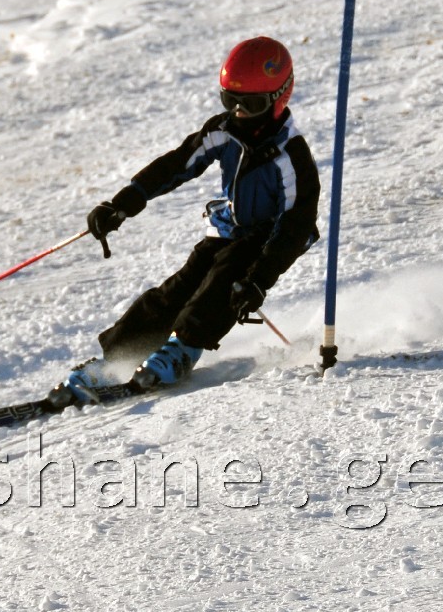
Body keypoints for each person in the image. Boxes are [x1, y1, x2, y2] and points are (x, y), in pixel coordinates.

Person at [53, 36, 321, 405]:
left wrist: (258, 280)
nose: (239, 111)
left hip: (271, 238)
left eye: (252, 103)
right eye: (231, 99)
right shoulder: (225, 130)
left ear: (279, 99)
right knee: (175, 291)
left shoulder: (290, 154)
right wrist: (124, 202)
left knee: (223, 282)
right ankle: (116, 359)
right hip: (230, 228)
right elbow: (178, 164)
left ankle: (183, 349)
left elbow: (297, 225)